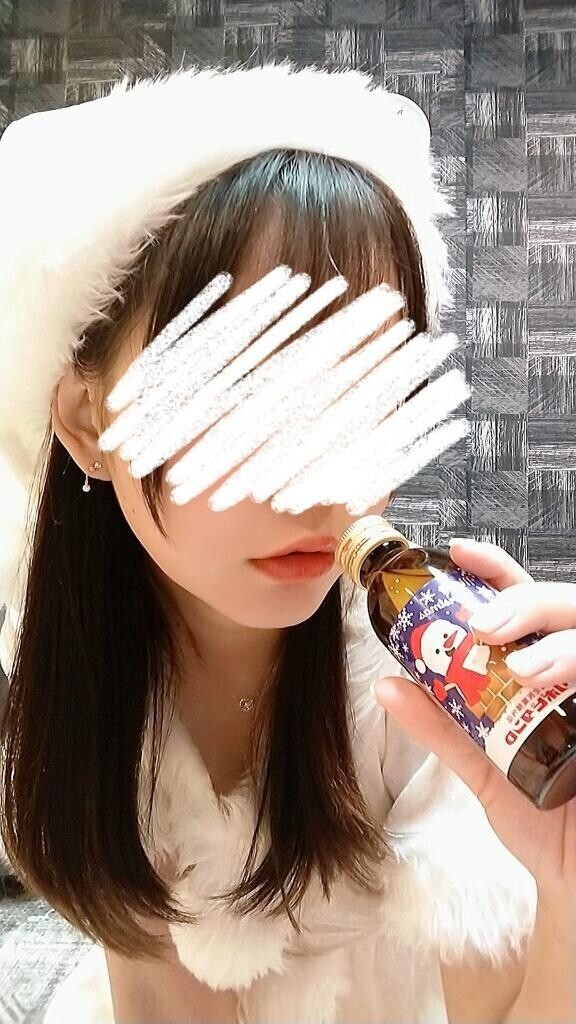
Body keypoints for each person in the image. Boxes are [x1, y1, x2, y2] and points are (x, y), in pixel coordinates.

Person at [0, 63, 573, 1024]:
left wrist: (567, 888)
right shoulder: (70, 665)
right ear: (91, 422)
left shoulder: (419, 684)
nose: (328, 482)